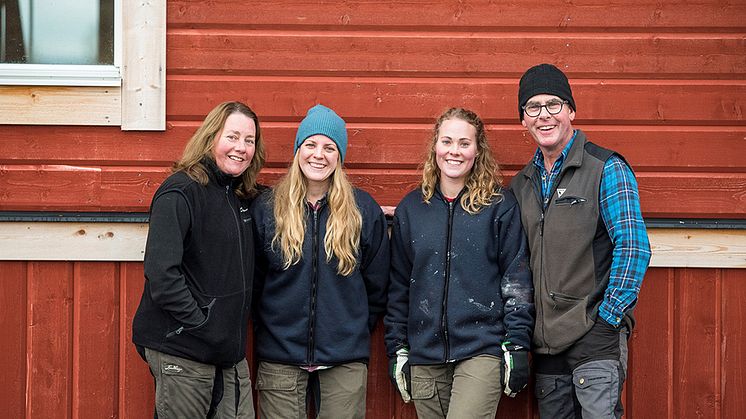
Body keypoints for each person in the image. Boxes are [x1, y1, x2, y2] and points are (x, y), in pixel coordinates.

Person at [510, 63, 652, 418]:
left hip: (594, 337)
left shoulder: (605, 168)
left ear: (571, 110)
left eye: (554, 104)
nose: (544, 115)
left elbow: (633, 247)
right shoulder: (521, 186)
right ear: (523, 120)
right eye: (533, 107)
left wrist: (607, 318)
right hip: (546, 346)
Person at [384, 107, 535, 418]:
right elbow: (399, 285)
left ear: (477, 151)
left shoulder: (499, 207)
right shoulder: (412, 209)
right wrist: (398, 347)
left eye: (464, 143)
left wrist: (517, 344)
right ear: (435, 147)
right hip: (425, 354)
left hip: (481, 350)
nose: (454, 151)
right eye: (447, 141)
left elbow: (516, 280)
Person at [250, 104, 390, 418]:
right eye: (310, 144)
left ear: (339, 156)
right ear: (298, 150)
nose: (319, 154)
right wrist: (273, 330)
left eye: (329, 147)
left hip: (344, 358)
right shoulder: (268, 208)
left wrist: (349, 329)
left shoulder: (362, 211)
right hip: (280, 357)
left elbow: (377, 286)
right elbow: (254, 282)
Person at [132, 101, 266, 418]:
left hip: (228, 354)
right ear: (210, 137)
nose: (241, 148)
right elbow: (162, 275)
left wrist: (366, 211)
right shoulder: (180, 192)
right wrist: (201, 324)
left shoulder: (241, 196)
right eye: (232, 136)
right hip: (184, 349)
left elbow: (296, 200)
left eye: (249, 140)